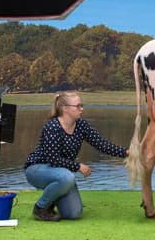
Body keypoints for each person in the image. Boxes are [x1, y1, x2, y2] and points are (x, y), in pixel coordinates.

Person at [24, 92, 128, 221]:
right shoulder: (52, 126)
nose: (82, 109)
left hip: (61, 172)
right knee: (67, 177)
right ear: (65, 108)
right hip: (37, 169)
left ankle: (53, 198)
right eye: (78, 106)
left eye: (82, 105)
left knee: (73, 214)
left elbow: (101, 144)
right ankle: (40, 208)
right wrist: (78, 166)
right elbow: (53, 159)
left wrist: (126, 153)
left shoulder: (81, 125)